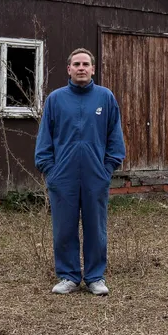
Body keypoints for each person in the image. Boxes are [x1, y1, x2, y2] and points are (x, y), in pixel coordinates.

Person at [35, 48, 126, 295]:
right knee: (64, 227)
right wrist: (50, 171)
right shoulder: (56, 99)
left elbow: (115, 140)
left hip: (96, 175)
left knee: (96, 227)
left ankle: (95, 277)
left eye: (86, 64)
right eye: (76, 64)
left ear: (93, 69)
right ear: (69, 69)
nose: (81, 68)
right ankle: (69, 276)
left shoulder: (105, 98)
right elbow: (44, 141)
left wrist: (107, 169)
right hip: (62, 176)